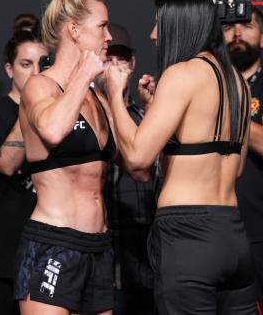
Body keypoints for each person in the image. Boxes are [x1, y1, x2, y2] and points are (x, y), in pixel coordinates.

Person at [106, 0, 257, 314]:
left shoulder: (180, 74)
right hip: (233, 236)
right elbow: (235, 165)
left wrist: (116, 96)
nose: (152, 34)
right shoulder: (239, 83)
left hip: (189, 240)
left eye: (159, 23)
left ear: (180, 24)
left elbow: (136, 158)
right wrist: (153, 114)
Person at [13, 0, 119, 315]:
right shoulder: (39, 86)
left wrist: (121, 97)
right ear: (74, 30)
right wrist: (83, 77)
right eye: (102, 26)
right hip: (54, 242)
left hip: (100, 246)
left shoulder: (97, 96)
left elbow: (137, 166)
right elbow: (54, 131)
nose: (108, 36)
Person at [223, 5, 263, 315]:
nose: (237, 33)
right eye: (229, 27)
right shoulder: (207, 82)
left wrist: (230, 102)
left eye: (248, 26)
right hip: (220, 229)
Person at [103, 23, 159, 315]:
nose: (114, 67)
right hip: (104, 263)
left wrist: (149, 111)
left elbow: (149, 173)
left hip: (148, 257)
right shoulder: (84, 116)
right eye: (107, 59)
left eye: (121, 60)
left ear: (133, 63)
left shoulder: (149, 114)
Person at [0, 19, 48, 315]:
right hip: (6, 250)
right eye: (26, 64)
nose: (35, 72)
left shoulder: (58, 113)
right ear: (9, 69)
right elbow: (6, 165)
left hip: (47, 246)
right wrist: (30, 106)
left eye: (43, 63)